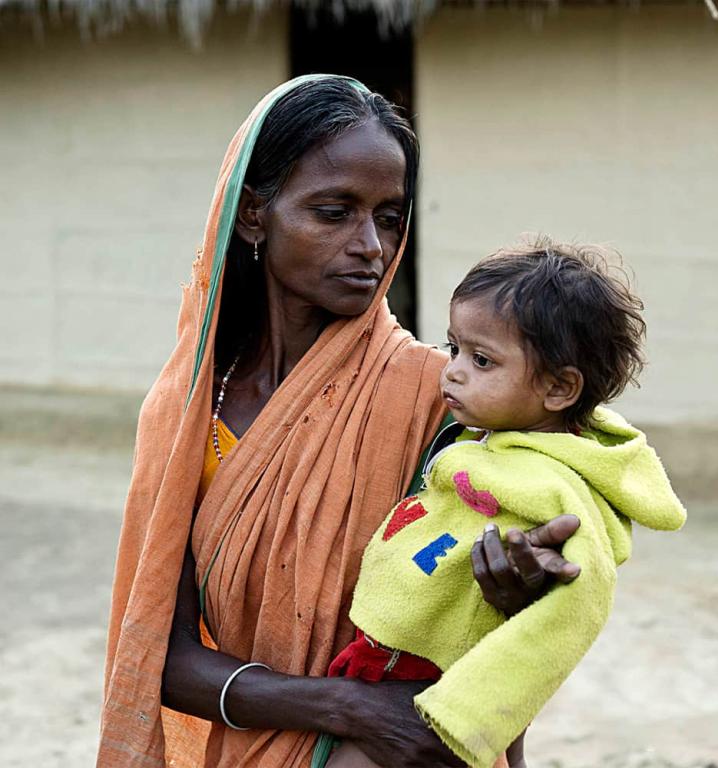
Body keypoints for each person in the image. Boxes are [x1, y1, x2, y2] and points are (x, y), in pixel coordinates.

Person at [98, 75, 582, 768]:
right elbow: (162, 656)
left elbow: (483, 628)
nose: (371, 246)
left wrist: (516, 587)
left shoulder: (437, 393)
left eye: (389, 217)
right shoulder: (182, 413)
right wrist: (346, 705)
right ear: (253, 215)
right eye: (334, 212)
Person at [318, 241, 686, 768]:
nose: (453, 372)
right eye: (454, 350)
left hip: (432, 689)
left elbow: (581, 603)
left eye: (482, 359)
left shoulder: (557, 486)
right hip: (389, 659)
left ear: (559, 389)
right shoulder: (492, 442)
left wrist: (468, 718)